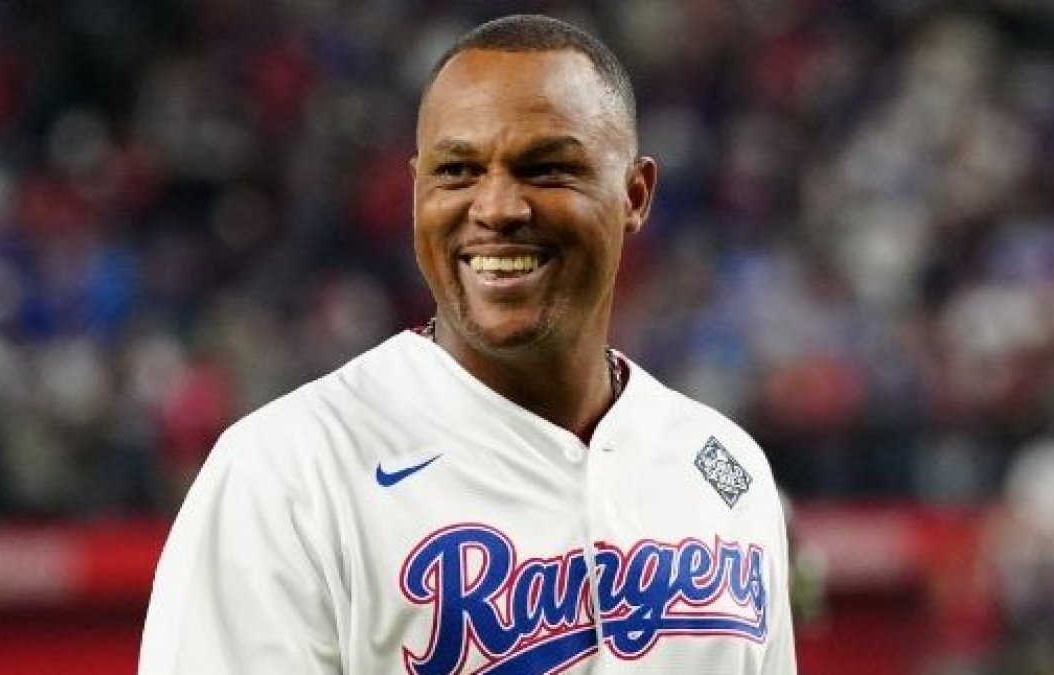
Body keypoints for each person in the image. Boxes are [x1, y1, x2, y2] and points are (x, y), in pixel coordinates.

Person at [139, 14, 795, 675]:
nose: (498, 207)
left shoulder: (725, 470)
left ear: (635, 194)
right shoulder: (290, 470)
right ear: (417, 191)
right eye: (458, 170)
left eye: (547, 169)